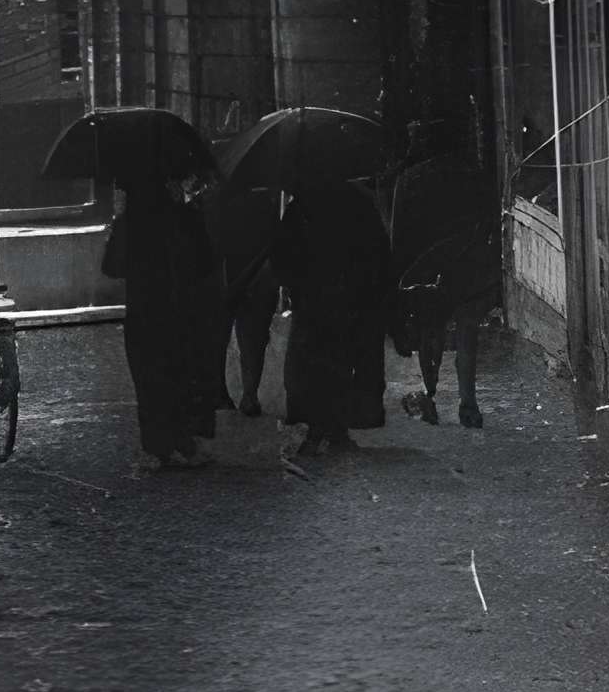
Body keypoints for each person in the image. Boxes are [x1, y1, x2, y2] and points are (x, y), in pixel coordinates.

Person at [105, 165, 227, 467]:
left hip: (143, 312)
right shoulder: (185, 217)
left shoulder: (128, 224)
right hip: (181, 310)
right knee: (182, 373)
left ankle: (158, 446)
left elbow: (111, 268)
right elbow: (207, 261)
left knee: (149, 380)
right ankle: (185, 440)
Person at [386, 117, 497, 429]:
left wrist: (399, 277)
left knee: (429, 331)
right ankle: (468, 404)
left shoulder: (408, 179)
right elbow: (488, 219)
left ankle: (430, 395)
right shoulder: (473, 174)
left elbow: (400, 234)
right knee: (467, 331)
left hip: (426, 268)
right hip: (467, 264)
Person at [272, 176, 394, 457]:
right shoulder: (360, 203)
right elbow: (379, 254)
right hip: (351, 299)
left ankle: (319, 428)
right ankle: (336, 428)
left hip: (314, 301)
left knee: (314, 366)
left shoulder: (301, 207)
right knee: (343, 364)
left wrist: (293, 286)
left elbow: (282, 256)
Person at [203, 177, 280, 419]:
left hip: (225, 279)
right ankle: (249, 395)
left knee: (218, 338)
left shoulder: (211, 202)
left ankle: (220, 393)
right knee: (253, 341)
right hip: (256, 278)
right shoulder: (264, 200)